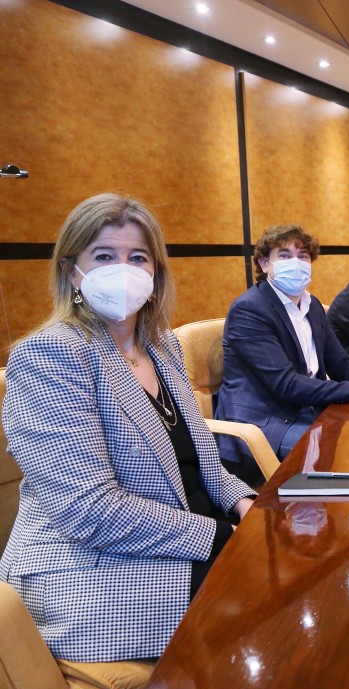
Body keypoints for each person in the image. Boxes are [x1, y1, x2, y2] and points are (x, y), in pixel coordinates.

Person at [0, 194, 257, 662]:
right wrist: (225, 537)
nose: (123, 270)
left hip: (184, 536)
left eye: (138, 257)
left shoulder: (161, 345)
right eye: (104, 256)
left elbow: (200, 462)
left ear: (155, 274)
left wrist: (247, 506)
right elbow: (89, 510)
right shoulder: (50, 355)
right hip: (97, 568)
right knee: (268, 615)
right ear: (71, 272)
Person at [215, 225, 349, 462]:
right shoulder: (250, 309)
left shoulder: (312, 305)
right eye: (285, 255)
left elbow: (340, 363)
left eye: (302, 256)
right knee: (336, 448)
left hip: (307, 409)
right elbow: (286, 384)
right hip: (265, 422)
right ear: (264, 264)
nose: (296, 262)